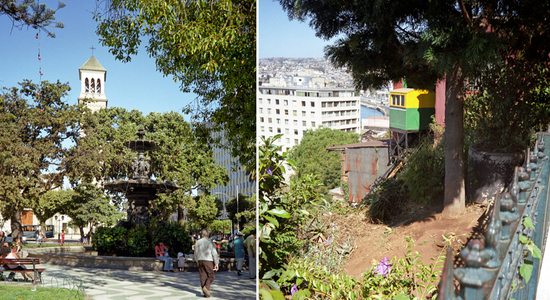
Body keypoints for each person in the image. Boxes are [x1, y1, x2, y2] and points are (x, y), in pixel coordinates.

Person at [194, 229, 219, 298]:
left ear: (202, 234)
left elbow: (195, 252)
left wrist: (196, 260)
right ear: (207, 234)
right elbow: (214, 253)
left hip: (200, 260)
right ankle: (206, 288)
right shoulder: (210, 242)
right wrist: (216, 263)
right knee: (211, 275)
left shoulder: (197, 242)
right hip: (208, 260)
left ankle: (206, 292)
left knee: (203, 276)